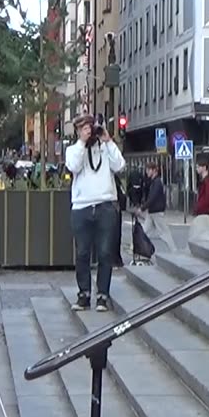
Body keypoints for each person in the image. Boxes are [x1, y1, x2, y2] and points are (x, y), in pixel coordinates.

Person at [65, 115, 126, 312]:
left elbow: (120, 166)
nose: (89, 132)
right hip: (82, 207)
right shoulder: (73, 150)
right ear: (77, 131)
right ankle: (84, 294)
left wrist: (108, 141)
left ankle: (102, 294)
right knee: (82, 253)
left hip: (105, 205)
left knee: (105, 252)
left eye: (90, 128)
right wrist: (83, 143)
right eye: (84, 129)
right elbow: (73, 166)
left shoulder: (105, 147)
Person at [139, 163, 175, 253]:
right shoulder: (153, 182)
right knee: (144, 231)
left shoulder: (157, 182)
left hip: (157, 212)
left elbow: (153, 198)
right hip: (152, 212)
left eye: (148, 170)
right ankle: (136, 248)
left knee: (164, 233)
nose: (147, 172)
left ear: (154, 170)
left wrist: (142, 208)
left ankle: (174, 251)